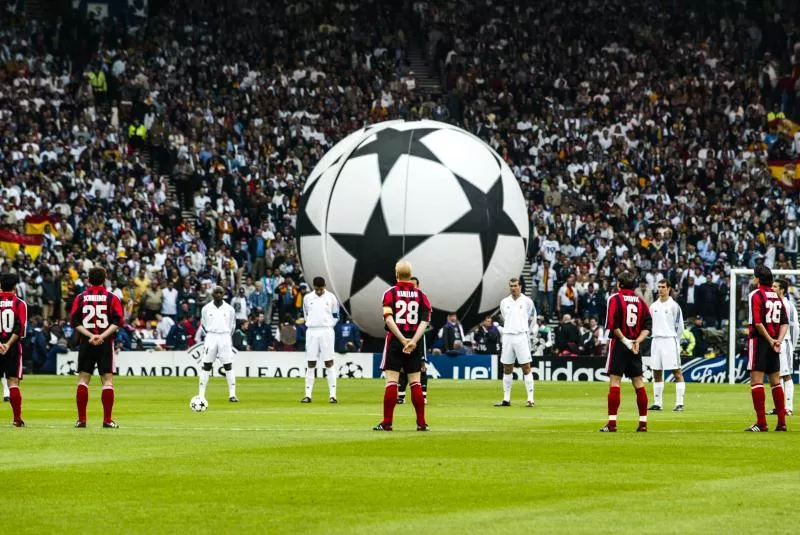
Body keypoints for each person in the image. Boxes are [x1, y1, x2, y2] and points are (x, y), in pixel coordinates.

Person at [374, 260, 431, 431]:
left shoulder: (390, 293)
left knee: (392, 381)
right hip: (415, 341)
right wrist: (413, 340)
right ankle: (421, 423)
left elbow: (389, 319)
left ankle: (387, 422)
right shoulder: (421, 295)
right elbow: (425, 321)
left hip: (395, 341)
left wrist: (402, 339)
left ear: (396, 274)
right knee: (416, 382)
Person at [70, 267, 125, 428]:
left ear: (88, 279)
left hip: (86, 343)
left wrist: (90, 336)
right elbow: (118, 321)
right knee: (107, 381)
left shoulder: (81, 297)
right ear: (104, 279)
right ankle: (107, 420)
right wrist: (101, 336)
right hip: (105, 343)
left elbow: (75, 322)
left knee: (83, 380)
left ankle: (82, 420)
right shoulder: (111, 297)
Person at [601, 271, 652, 432]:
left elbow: (612, 324)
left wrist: (626, 341)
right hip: (635, 346)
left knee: (615, 382)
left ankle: (612, 423)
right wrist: (637, 341)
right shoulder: (641, 301)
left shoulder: (615, 298)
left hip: (620, 343)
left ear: (619, 284)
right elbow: (648, 326)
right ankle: (643, 424)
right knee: (638, 383)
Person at [745, 265, 789, 432]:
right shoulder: (777, 297)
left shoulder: (756, 295)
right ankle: (782, 422)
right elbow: (784, 322)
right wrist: (778, 340)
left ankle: (761, 423)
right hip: (774, 342)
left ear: (757, 278)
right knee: (775, 382)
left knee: (756, 381)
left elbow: (757, 322)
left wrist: (770, 340)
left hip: (760, 341)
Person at [495, 278, 536, 407]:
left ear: (520, 286)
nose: (513, 288)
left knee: (526, 367)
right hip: (507, 336)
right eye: (511, 286)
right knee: (507, 367)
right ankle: (506, 399)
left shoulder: (527, 302)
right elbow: (505, 317)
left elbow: (532, 318)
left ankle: (530, 399)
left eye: (516, 285)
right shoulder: (504, 302)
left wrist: (526, 331)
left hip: (521, 336)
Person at [648, 280, 686, 412]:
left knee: (677, 371)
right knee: (656, 372)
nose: (660, 289)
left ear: (669, 289)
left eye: (663, 287)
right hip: (656, 340)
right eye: (659, 287)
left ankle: (679, 403)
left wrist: (676, 340)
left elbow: (680, 327)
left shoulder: (674, 306)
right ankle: (658, 403)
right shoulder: (653, 306)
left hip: (670, 340)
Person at [301, 277, 340, 403]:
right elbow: (306, 314)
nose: (319, 292)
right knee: (310, 363)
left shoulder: (331, 297)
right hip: (312, 331)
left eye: (321, 289)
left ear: (325, 286)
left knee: (329, 362)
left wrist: (328, 325)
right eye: (317, 289)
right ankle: (308, 395)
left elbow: (336, 315)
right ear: (313, 287)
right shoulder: (307, 298)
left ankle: (333, 395)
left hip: (326, 330)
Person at [198, 286, 238, 403]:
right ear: (213, 294)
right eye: (216, 292)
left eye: (220, 292)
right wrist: (211, 334)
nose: (218, 294)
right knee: (206, 365)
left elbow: (232, 326)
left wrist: (225, 335)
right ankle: (201, 395)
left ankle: (232, 394)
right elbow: (204, 324)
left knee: (228, 365)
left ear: (224, 294)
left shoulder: (230, 309)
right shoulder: (206, 308)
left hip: (225, 337)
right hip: (211, 336)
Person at [0, 274, 27, 427]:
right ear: (15, 286)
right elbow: (20, 327)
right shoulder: (19, 303)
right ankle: (17, 419)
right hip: (13, 347)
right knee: (13, 382)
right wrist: (8, 344)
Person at [398, 276, 429, 405]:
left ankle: (423, 395)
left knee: (421, 366)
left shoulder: (421, 297)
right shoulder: (400, 297)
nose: (412, 287)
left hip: (418, 337)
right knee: (401, 368)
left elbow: (425, 319)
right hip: (402, 336)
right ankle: (401, 395)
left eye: (414, 285)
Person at [770, 279, 798, 416]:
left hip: (785, 342)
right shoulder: (773, 304)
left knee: (786, 375)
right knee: (776, 375)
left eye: (775, 286)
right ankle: (779, 407)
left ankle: (788, 407)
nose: (772, 288)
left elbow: (794, 326)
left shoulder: (788, 306)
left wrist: (791, 344)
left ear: (782, 290)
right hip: (774, 343)